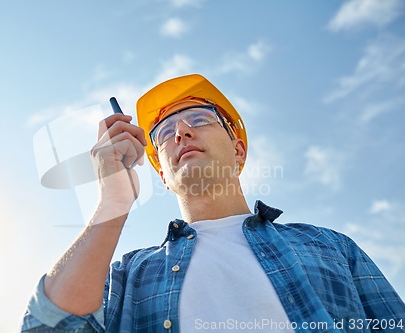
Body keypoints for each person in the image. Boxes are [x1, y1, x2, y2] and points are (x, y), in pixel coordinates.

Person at [21, 74, 405, 332]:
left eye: (199, 119)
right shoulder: (129, 276)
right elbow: (46, 326)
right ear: (163, 177)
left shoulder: (330, 247)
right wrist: (113, 202)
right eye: (165, 133)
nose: (181, 132)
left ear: (238, 150)